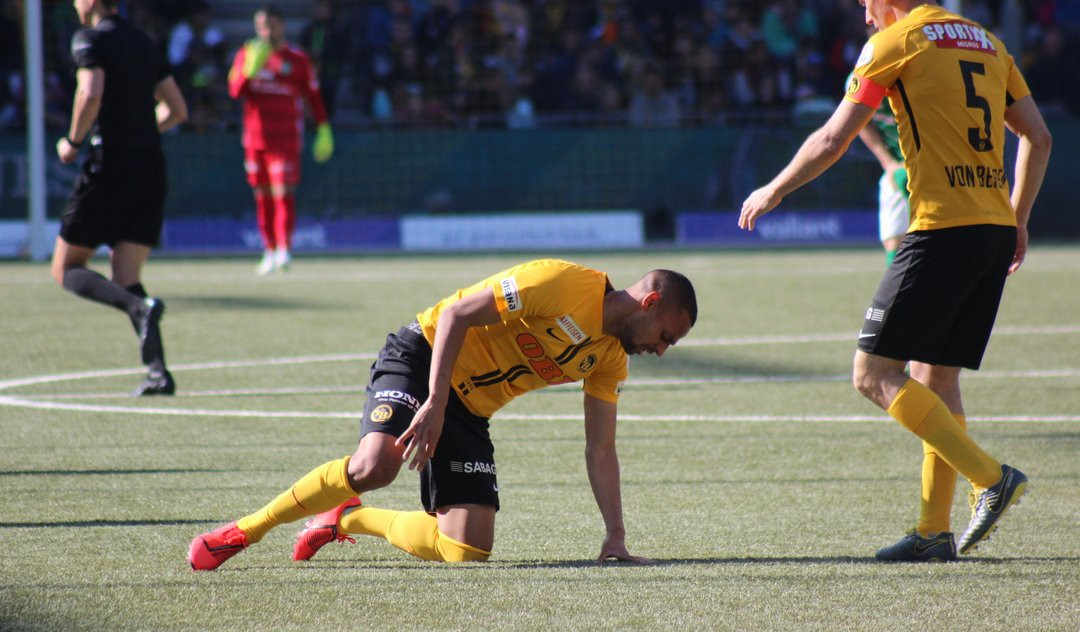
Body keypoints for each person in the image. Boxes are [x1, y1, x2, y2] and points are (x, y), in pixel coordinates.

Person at [738, 0, 1051, 561]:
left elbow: (834, 138)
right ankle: (934, 532)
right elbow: (1039, 136)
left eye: (865, 4)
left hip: (942, 227)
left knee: (872, 373)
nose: (864, 17)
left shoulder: (895, 42)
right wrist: (1019, 216)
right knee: (935, 377)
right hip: (993, 229)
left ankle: (990, 477)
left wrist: (775, 189)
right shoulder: (987, 39)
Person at [189, 259, 698, 570]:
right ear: (649, 302)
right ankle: (246, 530)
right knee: (376, 466)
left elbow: (600, 447)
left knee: (467, 552)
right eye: (666, 337)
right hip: (424, 355)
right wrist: (433, 402)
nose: (663, 350)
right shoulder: (562, 283)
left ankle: (349, 517)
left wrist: (615, 534)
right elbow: (455, 314)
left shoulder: (608, 359)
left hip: (468, 410)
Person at [51, 0, 188, 397]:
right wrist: (142, 133)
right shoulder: (145, 42)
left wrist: (73, 142)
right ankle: (159, 372)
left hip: (109, 166)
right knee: (127, 276)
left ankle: (139, 309)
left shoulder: (89, 39)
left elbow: (89, 92)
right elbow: (177, 109)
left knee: (65, 268)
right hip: (151, 168)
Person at [228, 5, 333, 276]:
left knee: (283, 193)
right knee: (262, 196)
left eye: (271, 25)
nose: (267, 31)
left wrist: (323, 127)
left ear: (281, 26)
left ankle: (285, 249)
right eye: (262, 26)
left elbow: (313, 95)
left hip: (285, 139)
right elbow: (235, 92)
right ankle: (269, 250)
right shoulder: (246, 55)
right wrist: (250, 69)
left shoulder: (297, 59)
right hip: (255, 140)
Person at [850, 72, 908, 265]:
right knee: (894, 241)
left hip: (930, 164)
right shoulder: (859, 80)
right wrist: (888, 163)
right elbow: (860, 123)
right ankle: (899, 293)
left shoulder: (913, 74)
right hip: (897, 166)